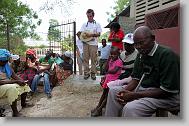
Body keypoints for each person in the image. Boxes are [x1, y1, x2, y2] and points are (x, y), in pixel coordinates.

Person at [105, 26, 180, 117]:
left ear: (152, 38)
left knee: (131, 108)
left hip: (166, 96)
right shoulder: (141, 54)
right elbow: (135, 80)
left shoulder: (167, 55)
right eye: (136, 44)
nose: (138, 47)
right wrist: (124, 92)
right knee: (114, 92)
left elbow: (166, 91)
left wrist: (134, 95)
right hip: (145, 90)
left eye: (141, 43)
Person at [91, 46, 123, 117]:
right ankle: (98, 106)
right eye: (111, 54)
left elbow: (113, 71)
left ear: (118, 54)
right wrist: (108, 59)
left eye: (114, 54)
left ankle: (100, 109)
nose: (112, 56)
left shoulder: (119, 62)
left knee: (107, 96)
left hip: (113, 81)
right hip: (108, 79)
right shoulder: (111, 60)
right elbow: (105, 68)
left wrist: (107, 72)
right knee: (104, 94)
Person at [0, 49, 32, 117]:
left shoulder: (6, 65)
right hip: (1, 85)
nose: (5, 63)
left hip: (7, 83)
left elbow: (14, 75)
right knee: (12, 88)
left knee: (24, 85)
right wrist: (16, 81)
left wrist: (22, 81)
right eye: (3, 61)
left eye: (6, 61)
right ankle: (15, 113)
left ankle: (23, 104)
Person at [77, 9, 102, 80]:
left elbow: (99, 34)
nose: (89, 17)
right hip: (85, 44)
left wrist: (91, 35)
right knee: (85, 59)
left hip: (94, 44)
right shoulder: (84, 24)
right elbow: (80, 33)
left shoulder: (97, 24)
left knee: (93, 59)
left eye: (90, 16)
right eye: (88, 16)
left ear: (93, 15)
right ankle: (86, 73)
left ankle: (93, 74)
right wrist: (82, 38)